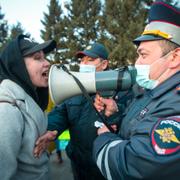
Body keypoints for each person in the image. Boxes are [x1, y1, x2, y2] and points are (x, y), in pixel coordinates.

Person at [93, 2, 180, 180]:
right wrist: (115, 113)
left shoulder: (176, 104)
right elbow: (142, 121)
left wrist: (104, 138)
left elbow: (134, 167)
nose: (137, 63)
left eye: (144, 54)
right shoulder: (153, 89)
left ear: (174, 58)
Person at [34, 43, 133, 180]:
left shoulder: (122, 89)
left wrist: (114, 111)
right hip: (79, 166)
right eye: (82, 60)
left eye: (90, 60)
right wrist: (52, 129)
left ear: (104, 64)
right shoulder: (73, 87)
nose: (84, 63)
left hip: (106, 166)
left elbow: (130, 121)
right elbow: (61, 112)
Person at [0, 34, 56, 180]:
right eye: (38, 58)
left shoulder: (30, 98)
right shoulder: (6, 109)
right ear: (17, 66)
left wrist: (47, 134)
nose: (47, 63)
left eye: (45, 57)